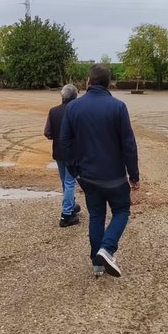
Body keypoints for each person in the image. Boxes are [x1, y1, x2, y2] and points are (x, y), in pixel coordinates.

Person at [59, 64, 140, 277]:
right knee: (122, 211)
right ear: (109, 83)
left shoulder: (73, 108)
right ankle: (107, 248)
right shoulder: (118, 107)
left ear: (89, 81)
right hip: (114, 176)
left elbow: (64, 143)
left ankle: (97, 263)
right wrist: (134, 175)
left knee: (96, 215)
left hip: (88, 176)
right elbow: (128, 144)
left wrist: (75, 170)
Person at [44, 83, 81, 227]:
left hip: (58, 151)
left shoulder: (53, 111)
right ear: (75, 96)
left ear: (62, 96)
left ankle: (71, 205)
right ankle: (66, 214)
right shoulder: (76, 112)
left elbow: (47, 133)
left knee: (65, 182)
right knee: (70, 182)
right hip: (72, 152)